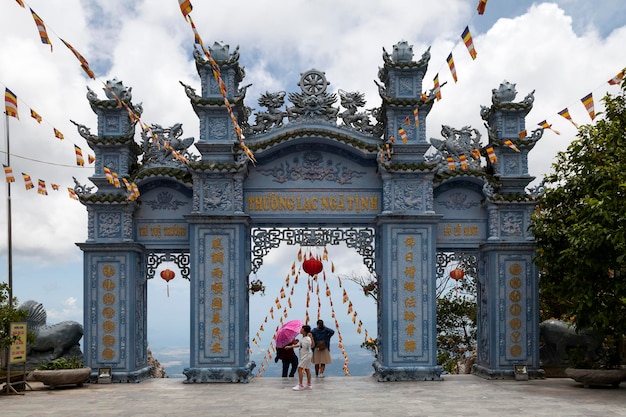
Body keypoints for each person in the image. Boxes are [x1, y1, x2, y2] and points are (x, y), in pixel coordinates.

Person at [286, 324, 314, 390]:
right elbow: (299, 345)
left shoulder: (307, 339)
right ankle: (309, 384)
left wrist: (311, 338)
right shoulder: (303, 338)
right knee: (307, 369)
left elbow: (312, 345)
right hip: (304, 355)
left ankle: (300, 384)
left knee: (299, 368)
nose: (300, 330)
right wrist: (290, 346)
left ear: (304, 331)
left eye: (302, 329)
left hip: (306, 355)